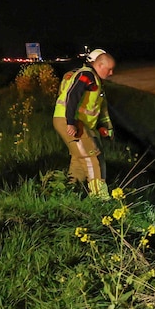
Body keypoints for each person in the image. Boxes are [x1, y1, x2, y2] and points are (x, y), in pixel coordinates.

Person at [53, 48, 116, 199]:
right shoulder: (87, 75)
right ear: (99, 65)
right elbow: (72, 95)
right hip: (71, 121)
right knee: (93, 157)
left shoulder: (92, 78)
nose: (111, 73)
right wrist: (70, 122)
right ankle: (99, 198)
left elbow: (95, 109)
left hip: (76, 122)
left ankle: (69, 193)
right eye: (109, 69)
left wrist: (101, 127)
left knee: (79, 159)